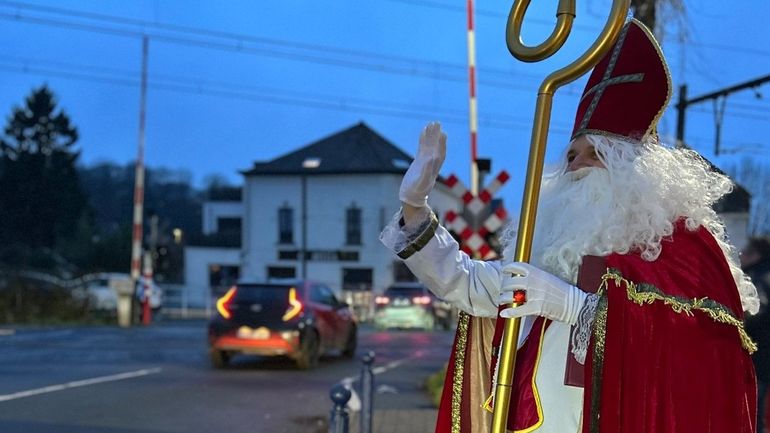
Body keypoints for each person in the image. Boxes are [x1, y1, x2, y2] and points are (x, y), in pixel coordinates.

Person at [380, 19, 760, 433]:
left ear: (634, 166)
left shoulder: (683, 242)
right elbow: (467, 284)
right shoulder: (548, 244)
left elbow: (704, 354)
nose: (576, 166)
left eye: (596, 152)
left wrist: (578, 308)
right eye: (572, 154)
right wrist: (414, 207)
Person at [742, 238, 770, 433]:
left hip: (758, 354)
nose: (741, 255)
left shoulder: (756, 278)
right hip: (762, 354)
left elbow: (756, 312)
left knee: (754, 411)